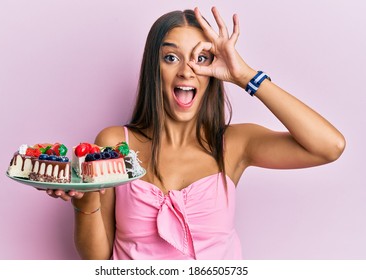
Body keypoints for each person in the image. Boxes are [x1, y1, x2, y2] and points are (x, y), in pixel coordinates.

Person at [46, 7, 345, 259]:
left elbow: (329, 146)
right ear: (154, 67)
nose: (187, 71)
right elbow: (97, 259)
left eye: (201, 58)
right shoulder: (114, 144)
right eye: (171, 58)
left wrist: (245, 76)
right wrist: (84, 200)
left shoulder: (235, 144)